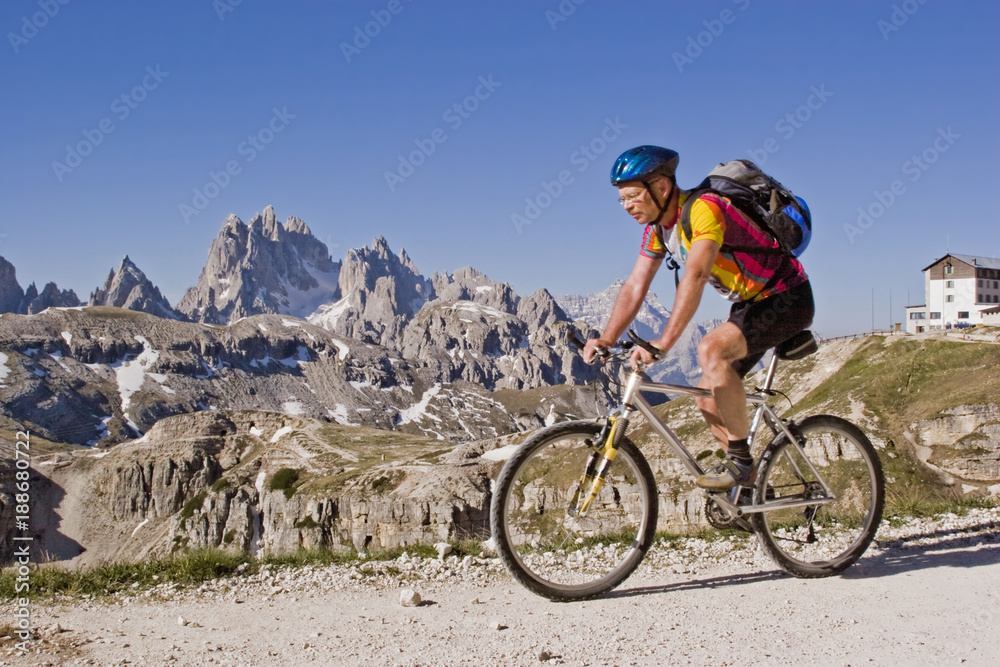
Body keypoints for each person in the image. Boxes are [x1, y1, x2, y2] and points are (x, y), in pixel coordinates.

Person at [583, 145, 814, 491]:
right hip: (751, 303)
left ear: (661, 187)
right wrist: (607, 338)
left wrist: (662, 343)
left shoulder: (704, 210)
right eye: (622, 200)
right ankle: (744, 490)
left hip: (787, 297)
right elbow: (635, 284)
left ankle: (740, 464)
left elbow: (696, 273)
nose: (627, 206)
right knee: (705, 393)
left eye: (633, 196)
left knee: (710, 350)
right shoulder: (659, 229)